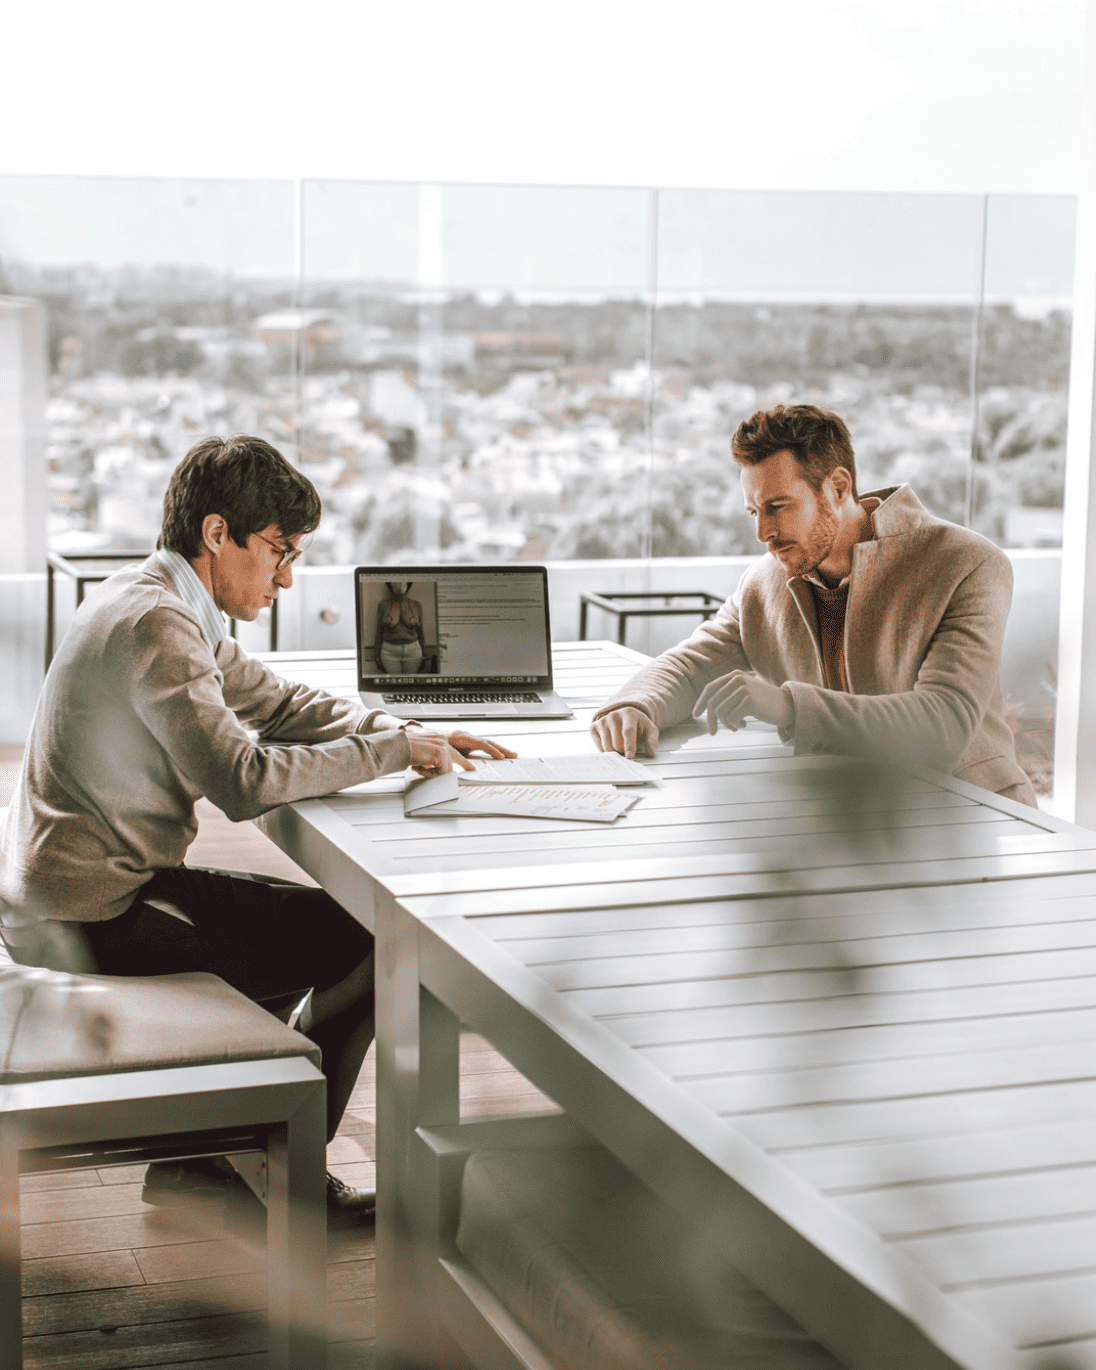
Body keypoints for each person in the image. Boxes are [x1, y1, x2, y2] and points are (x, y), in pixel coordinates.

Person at [0, 434, 516, 1228]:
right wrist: (387, 751)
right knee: (375, 944)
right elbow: (243, 781)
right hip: (86, 918)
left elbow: (273, 702)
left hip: (84, 892)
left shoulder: (160, 601)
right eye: (277, 551)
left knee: (337, 935)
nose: (287, 575)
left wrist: (397, 727)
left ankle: (210, 1162)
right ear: (216, 534)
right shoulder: (157, 627)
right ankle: (276, 1171)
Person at [591, 403, 1036, 807]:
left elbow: (944, 725)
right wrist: (634, 705)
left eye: (778, 507)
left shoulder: (967, 564)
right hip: (849, 815)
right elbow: (690, 665)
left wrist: (787, 707)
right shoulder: (765, 582)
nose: (763, 532)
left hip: (972, 811)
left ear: (837, 488)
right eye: (754, 512)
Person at [375, 581, 426, 674]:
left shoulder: (416, 604)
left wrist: (424, 655)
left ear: (408, 584)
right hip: (389, 652)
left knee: (411, 684)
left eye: (402, 580)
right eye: (395, 581)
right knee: (394, 684)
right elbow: (379, 631)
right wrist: (376, 657)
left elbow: (420, 631)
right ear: (390, 585)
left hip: (414, 651)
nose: (399, 583)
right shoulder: (383, 604)